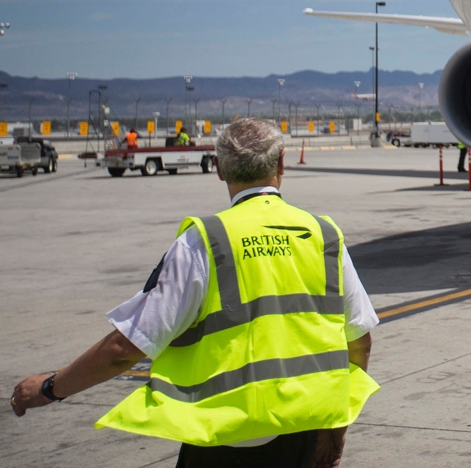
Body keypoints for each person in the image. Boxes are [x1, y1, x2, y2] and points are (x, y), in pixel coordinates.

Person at [10, 117, 380, 467]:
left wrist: (48, 388)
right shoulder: (323, 234)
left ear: (219, 169)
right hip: (304, 431)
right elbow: (359, 344)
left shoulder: (205, 242)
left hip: (225, 442)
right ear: (282, 163)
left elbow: (123, 350)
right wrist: (334, 432)